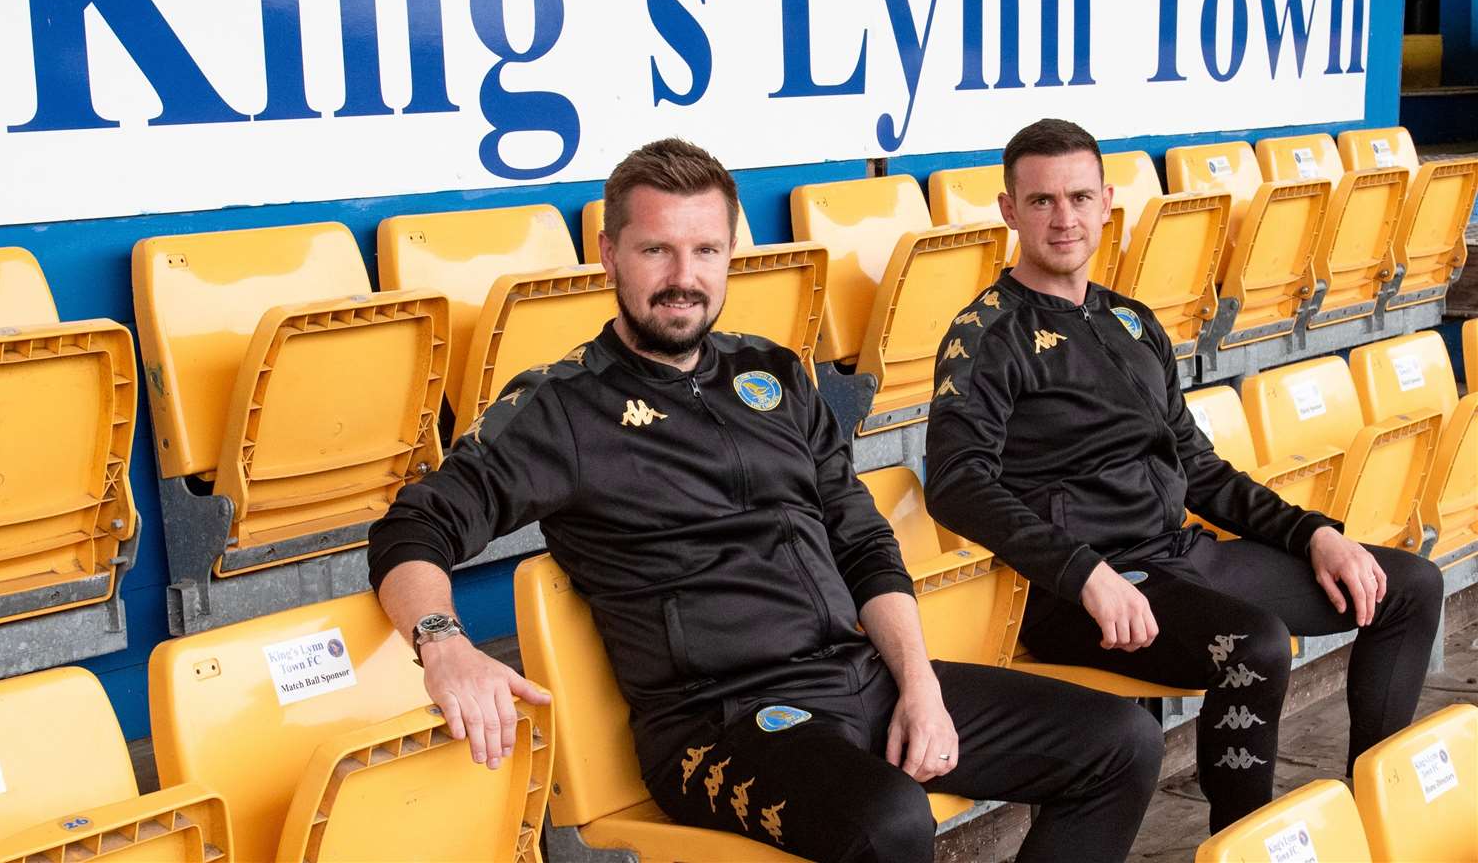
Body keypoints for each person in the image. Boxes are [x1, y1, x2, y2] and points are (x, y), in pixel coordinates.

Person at [368, 138, 1162, 863]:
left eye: (705, 249)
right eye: (656, 250)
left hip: (858, 675)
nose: (684, 276)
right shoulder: (563, 410)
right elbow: (412, 526)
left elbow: (861, 540)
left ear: (729, 255)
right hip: (719, 725)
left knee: (1118, 741)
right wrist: (444, 644)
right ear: (609, 255)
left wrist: (920, 685)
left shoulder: (775, 375)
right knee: (887, 821)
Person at [925, 118, 1445, 834]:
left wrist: (1315, 536)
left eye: (1079, 197)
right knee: (1254, 645)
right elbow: (955, 483)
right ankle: (1242, 843)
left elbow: (1198, 468)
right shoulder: (985, 334)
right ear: (1010, 211)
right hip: (1077, 591)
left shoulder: (1130, 323)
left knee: (1408, 587)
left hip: (1178, 560)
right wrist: (1083, 573)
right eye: (1041, 201)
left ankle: (1372, 816)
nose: (1064, 217)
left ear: (1107, 201)